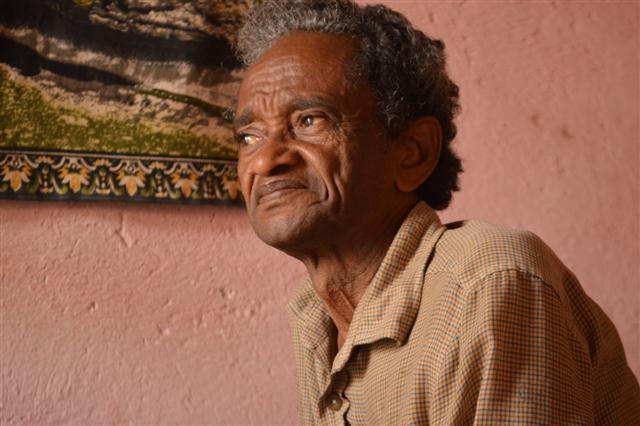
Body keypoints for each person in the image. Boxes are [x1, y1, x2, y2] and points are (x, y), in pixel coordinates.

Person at [232, 0, 640, 424]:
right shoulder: (315, 314)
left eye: (310, 120)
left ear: (412, 152)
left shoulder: (489, 281)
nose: (264, 161)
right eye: (248, 137)